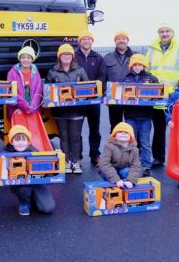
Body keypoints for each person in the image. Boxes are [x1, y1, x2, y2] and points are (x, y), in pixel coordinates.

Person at [145, 23, 179, 167]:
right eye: (161, 31)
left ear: (173, 33)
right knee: (158, 128)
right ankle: (158, 157)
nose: (164, 34)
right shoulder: (152, 49)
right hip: (155, 96)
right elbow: (146, 70)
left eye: (167, 31)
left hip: (175, 96)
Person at [46, 44, 89, 174]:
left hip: (77, 110)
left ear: (72, 56)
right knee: (63, 137)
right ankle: (66, 162)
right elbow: (48, 90)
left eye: (69, 54)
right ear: (59, 56)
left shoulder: (80, 70)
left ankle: (75, 162)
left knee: (75, 137)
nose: (66, 56)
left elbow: (88, 88)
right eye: (64, 54)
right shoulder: (52, 71)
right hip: (60, 111)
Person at [4, 125, 55, 216]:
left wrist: (56, 155)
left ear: (28, 142)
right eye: (17, 140)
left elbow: (46, 166)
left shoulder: (34, 151)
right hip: (20, 183)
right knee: (23, 188)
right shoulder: (6, 153)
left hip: (37, 182)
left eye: (23, 140)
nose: (20, 143)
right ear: (11, 141)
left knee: (48, 208)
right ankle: (24, 203)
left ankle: (34, 198)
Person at [123, 54, 158, 177]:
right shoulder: (125, 79)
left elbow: (158, 95)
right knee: (130, 142)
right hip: (130, 115)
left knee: (145, 142)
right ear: (131, 66)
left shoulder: (152, 79)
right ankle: (131, 165)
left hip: (146, 116)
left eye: (140, 65)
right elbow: (118, 95)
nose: (137, 67)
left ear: (144, 66)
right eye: (135, 65)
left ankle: (146, 166)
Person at [74, 31, 106, 166]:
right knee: (77, 130)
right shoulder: (73, 57)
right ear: (79, 41)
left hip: (93, 99)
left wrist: (94, 90)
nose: (86, 41)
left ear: (92, 41)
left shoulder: (98, 57)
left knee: (95, 129)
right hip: (77, 99)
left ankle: (95, 155)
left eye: (89, 39)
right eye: (84, 39)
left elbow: (102, 76)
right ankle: (78, 156)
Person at [103, 30, 134, 132]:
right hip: (114, 98)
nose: (121, 40)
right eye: (118, 39)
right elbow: (104, 77)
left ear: (127, 41)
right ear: (115, 41)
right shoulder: (107, 58)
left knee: (132, 126)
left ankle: (132, 148)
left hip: (132, 98)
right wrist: (104, 95)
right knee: (115, 126)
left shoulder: (135, 57)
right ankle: (115, 148)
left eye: (124, 38)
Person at [98, 122, 142, 188]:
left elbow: (136, 166)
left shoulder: (135, 150)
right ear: (114, 135)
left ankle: (125, 184)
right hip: (109, 171)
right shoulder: (109, 147)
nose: (123, 133)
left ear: (131, 137)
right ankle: (113, 185)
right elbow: (104, 164)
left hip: (122, 170)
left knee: (127, 171)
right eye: (120, 131)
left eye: (126, 132)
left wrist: (131, 180)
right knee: (106, 173)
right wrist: (116, 180)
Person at [6, 46, 43, 119]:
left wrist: (32, 107)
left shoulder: (36, 73)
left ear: (32, 59)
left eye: (29, 58)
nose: (25, 60)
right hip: (16, 110)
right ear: (19, 59)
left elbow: (38, 91)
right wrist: (25, 106)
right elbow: (11, 91)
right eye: (23, 57)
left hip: (33, 111)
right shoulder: (12, 73)